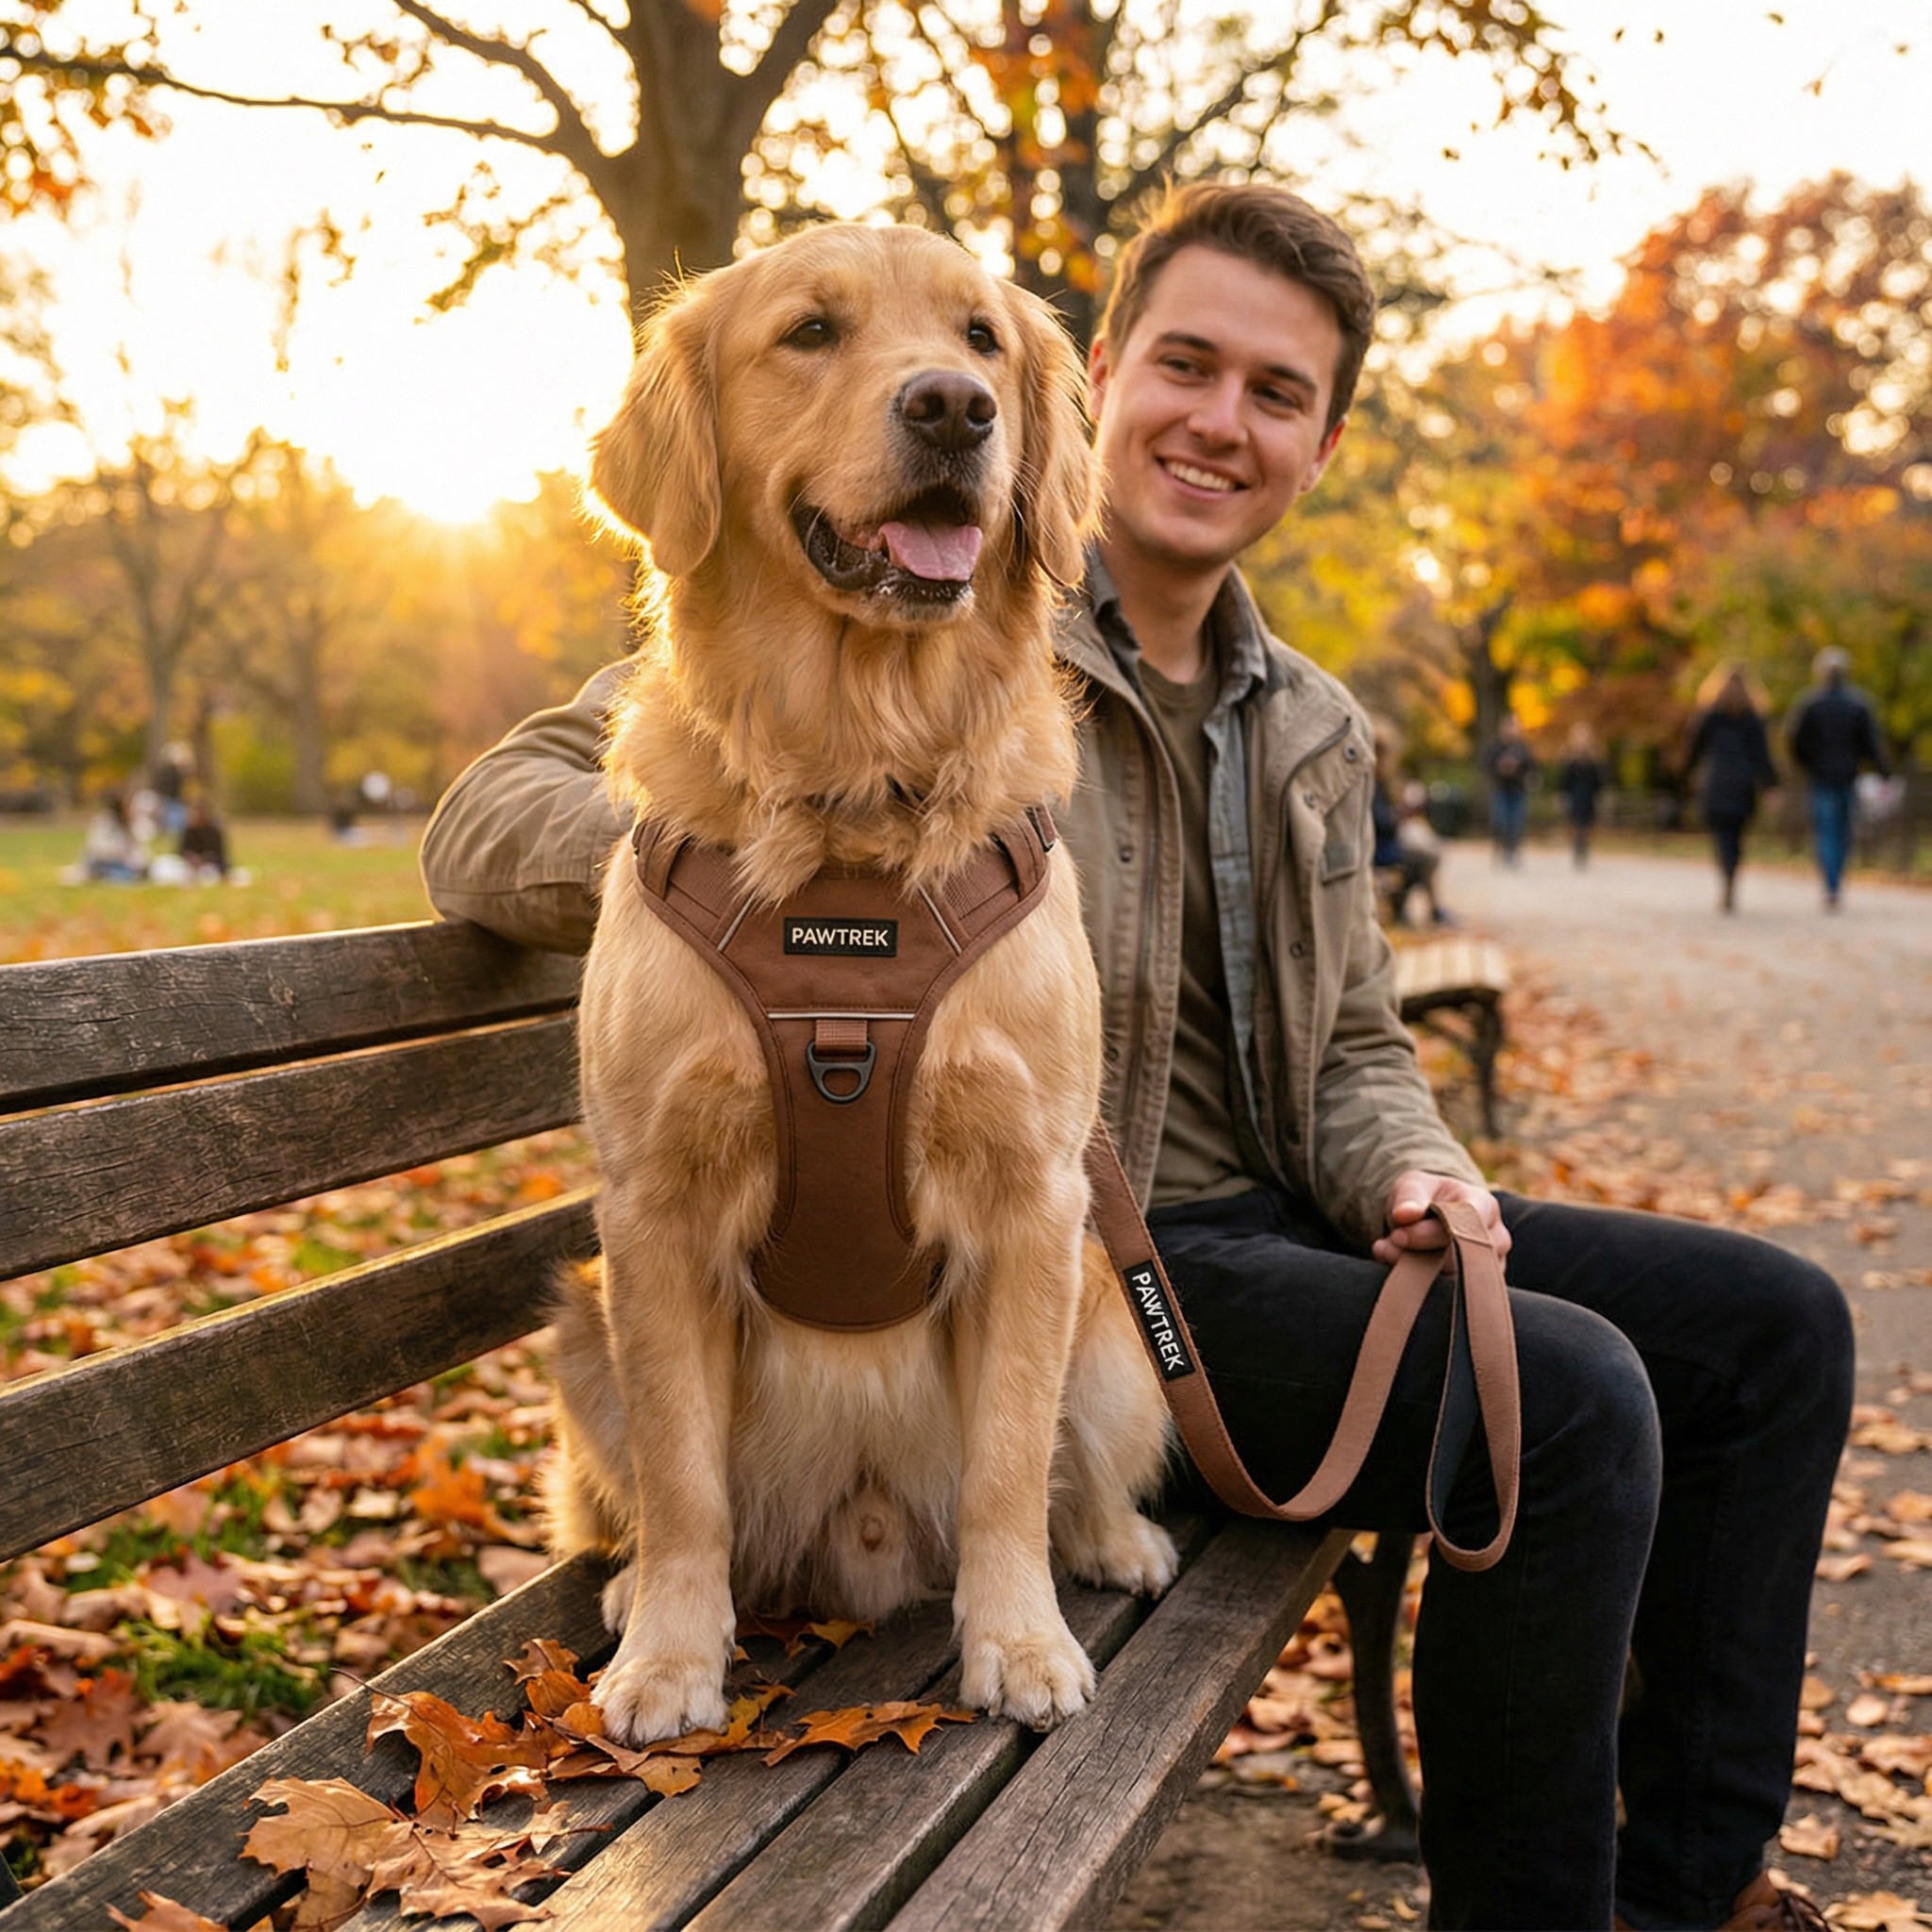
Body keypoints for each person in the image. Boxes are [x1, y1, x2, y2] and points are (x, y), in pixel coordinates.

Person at [419, 187, 1851, 1931]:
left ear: (1313, 446)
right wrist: (748, 861)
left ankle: (1672, 1899)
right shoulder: (910, 611)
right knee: (1565, 1398)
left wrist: (1416, 1164)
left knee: (1780, 1328)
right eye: (1183, 364)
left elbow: (1352, 1040)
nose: (1219, 420)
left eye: (1274, 392)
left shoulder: (1312, 719)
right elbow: (500, 809)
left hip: (1308, 1230)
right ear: (1099, 379)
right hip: (1121, 1271)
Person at [1785, 646, 1890, 910]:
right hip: (1847, 777)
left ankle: (1831, 884)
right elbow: (1871, 744)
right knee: (1842, 832)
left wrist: (1808, 764)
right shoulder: (1858, 704)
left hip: (1822, 778)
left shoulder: (1811, 703)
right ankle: (1835, 882)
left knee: (1827, 833)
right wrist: (1883, 771)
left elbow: (1795, 741)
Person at [1686, 665, 1779, 914]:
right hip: (1743, 784)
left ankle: (1725, 876)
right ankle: (1731, 877)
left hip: (1717, 781)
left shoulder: (1709, 716)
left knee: (1721, 836)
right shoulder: (1753, 719)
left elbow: (1693, 750)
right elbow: (1763, 757)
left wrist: (1689, 774)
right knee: (1736, 836)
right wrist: (1770, 786)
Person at [1373, 730, 1449, 925]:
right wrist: (1402, 815)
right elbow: (1381, 822)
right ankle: (1425, 909)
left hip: (1385, 844)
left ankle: (1412, 908)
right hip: (1380, 849)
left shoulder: (1380, 784)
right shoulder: (1372, 785)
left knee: (1426, 856)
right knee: (1426, 858)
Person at [1484, 712, 1536, 865]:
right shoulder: (1496, 747)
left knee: (1516, 822)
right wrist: (1500, 769)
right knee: (1501, 821)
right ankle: (1499, 847)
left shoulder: (1522, 748)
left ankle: (1512, 850)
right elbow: (1487, 765)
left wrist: (1524, 774)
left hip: (1518, 790)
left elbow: (1531, 768)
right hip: (1501, 789)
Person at [1558, 722, 1607, 869]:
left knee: (1587, 824)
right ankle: (1577, 847)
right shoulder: (1569, 758)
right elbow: (1564, 779)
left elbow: (1599, 779)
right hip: (1574, 795)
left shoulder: (1594, 757)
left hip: (1589, 795)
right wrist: (1562, 795)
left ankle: (1583, 846)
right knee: (1575, 822)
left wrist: (1601, 794)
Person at [79, 791, 147, 882]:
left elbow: (135, 849)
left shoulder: (127, 826)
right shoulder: (104, 823)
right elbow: (97, 848)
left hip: (120, 862)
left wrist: (140, 862)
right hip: (102, 861)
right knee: (127, 876)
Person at [176, 795, 230, 882]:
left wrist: (203, 860)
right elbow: (181, 851)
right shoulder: (188, 831)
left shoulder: (213, 831)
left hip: (210, 866)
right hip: (191, 867)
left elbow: (218, 854)